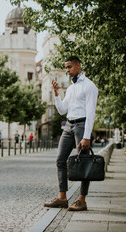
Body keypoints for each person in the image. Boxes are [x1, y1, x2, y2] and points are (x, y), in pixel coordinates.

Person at [44, 56, 98, 211]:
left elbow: (91, 113)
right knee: (60, 160)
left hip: (82, 125)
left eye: (69, 67)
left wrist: (87, 136)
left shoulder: (89, 86)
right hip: (68, 125)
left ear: (78, 66)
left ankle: (82, 200)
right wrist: (56, 94)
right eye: (66, 67)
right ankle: (62, 198)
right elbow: (62, 110)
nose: (67, 70)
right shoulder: (71, 88)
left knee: (84, 162)